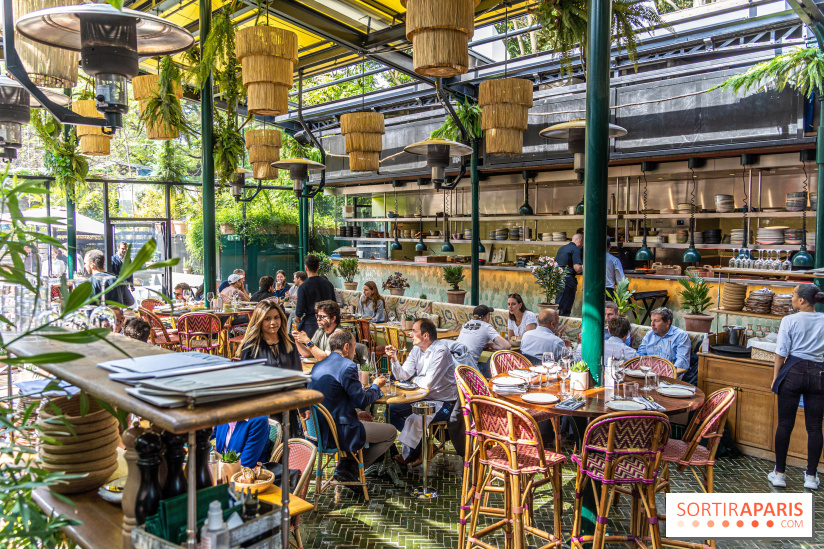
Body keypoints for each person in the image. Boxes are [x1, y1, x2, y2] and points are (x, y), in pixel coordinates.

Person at [307, 330, 398, 480]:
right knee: (391, 432)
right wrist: (376, 386)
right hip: (338, 432)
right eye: (354, 348)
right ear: (346, 347)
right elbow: (361, 401)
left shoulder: (318, 365)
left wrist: (355, 413)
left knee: (367, 423)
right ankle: (351, 468)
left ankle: (348, 463)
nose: (355, 353)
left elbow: (330, 400)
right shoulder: (347, 366)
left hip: (317, 430)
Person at [768, 284, 824, 490]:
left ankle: (779, 474)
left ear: (801, 300)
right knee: (815, 427)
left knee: (784, 424)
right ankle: (811, 477)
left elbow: (781, 353)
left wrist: (776, 378)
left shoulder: (789, 320)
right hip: (819, 375)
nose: (791, 298)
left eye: (793, 295)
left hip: (792, 373)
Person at [385, 318, 457, 464]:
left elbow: (427, 383)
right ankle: (423, 446)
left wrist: (414, 380)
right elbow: (402, 376)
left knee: (415, 419)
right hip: (423, 398)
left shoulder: (440, 351)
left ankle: (411, 453)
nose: (410, 334)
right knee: (391, 411)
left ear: (425, 335)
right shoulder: (417, 349)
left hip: (443, 402)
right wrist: (394, 359)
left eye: (414, 331)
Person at [238, 300, 301, 370]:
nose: (273, 322)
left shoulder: (289, 340)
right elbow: (245, 374)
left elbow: (297, 370)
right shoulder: (251, 346)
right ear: (259, 321)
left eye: (276, 317)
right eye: (267, 319)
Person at [456, 304, 510, 377]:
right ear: (487, 317)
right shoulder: (486, 327)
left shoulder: (466, 325)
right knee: (497, 359)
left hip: (456, 366)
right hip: (470, 370)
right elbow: (506, 346)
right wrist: (491, 345)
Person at [637, 307, 690, 375]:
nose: (652, 324)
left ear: (667, 322)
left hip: (670, 375)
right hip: (649, 374)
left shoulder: (680, 336)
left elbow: (682, 362)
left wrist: (668, 374)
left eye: (656, 321)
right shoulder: (649, 335)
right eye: (651, 320)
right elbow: (640, 356)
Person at [295, 255, 336, 337]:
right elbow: (334, 304)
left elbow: (300, 309)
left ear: (306, 268)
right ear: (318, 267)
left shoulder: (303, 287)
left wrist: (298, 317)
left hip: (311, 324)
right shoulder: (328, 284)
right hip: (328, 323)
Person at [555, 233, 583, 316]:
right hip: (568, 280)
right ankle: (563, 323)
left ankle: (557, 321)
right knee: (566, 307)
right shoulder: (576, 249)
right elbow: (577, 268)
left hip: (558, 278)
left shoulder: (561, 248)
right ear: (580, 240)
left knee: (559, 304)